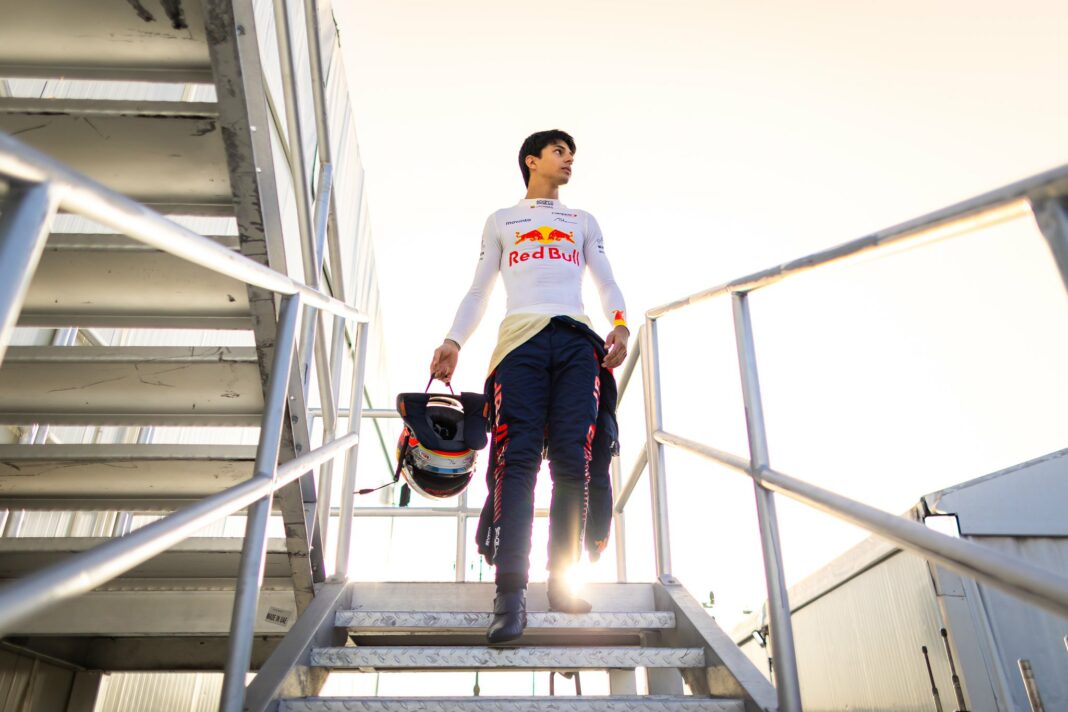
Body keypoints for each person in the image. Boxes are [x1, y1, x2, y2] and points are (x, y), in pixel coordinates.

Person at [430, 129, 629, 644]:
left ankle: (563, 583)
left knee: (572, 461)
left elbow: (606, 279)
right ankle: (509, 596)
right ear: (532, 160)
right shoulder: (502, 220)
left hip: (577, 342)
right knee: (516, 463)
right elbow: (479, 289)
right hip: (519, 344)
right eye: (559, 152)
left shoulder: (582, 221)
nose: (569, 160)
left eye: (572, 154)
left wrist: (620, 323)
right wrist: (453, 340)